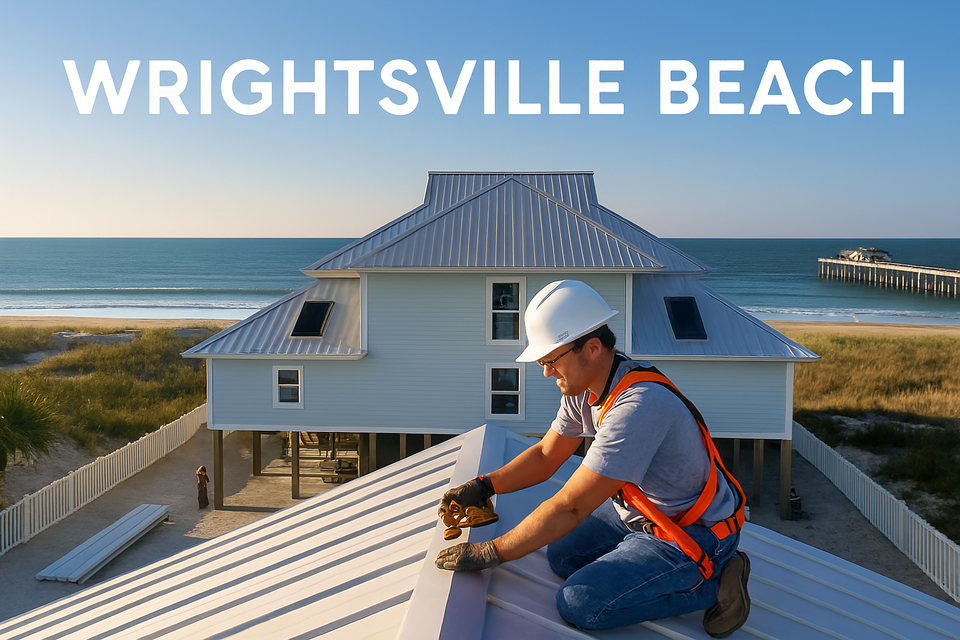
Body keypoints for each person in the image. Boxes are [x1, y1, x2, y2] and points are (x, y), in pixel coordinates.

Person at [436, 280, 750, 637]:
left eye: (551, 360)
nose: (546, 372)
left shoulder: (638, 406)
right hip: (642, 510)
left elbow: (571, 506)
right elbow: (546, 453)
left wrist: (491, 552)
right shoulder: (585, 386)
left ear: (592, 348)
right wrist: (485, 485)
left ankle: (714, 582)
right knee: (561, 556)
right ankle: (641, 560)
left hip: (689, 530)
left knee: (581, 604)